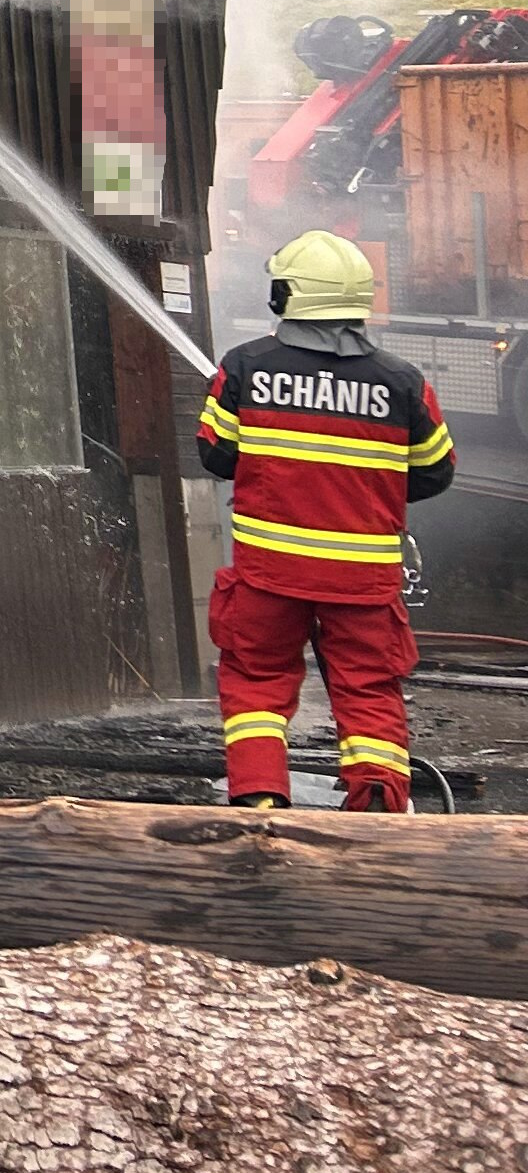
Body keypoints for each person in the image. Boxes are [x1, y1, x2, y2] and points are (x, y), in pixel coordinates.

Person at [200, 227, 454, 812]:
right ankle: (377, 802)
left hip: (269, 577)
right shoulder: (403, 382)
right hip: (362, 583)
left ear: (287, 296)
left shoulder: (244, 368)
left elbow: (215, 454)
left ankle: (260, 799)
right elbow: (436, 472)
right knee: (368, 689)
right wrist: (368, 487)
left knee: (257, 685)